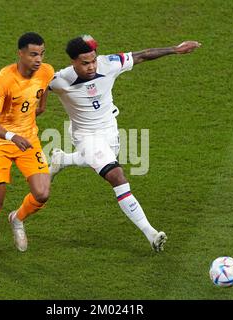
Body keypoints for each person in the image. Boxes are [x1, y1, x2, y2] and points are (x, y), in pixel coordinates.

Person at [48, 35, 200, 252]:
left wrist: (175, 49)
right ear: (73, 62)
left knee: (102, 162)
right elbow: (33, 90)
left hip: (109, 129)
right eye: (85, 63)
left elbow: (142, 55)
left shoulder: (109, 63)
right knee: (116, 175)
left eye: (93, 60)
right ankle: (151, 233)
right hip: (85, 136)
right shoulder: (60, 80)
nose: (91, 66)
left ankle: (62, 159)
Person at [0, 32, 54, 264]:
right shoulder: (5, 78)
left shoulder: (47, 71)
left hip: (28, 140)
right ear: (20, 54)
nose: (38, 59)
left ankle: (17, 218)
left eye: (41, 54)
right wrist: (11, 135)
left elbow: (43, 93)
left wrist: (41, 107)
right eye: (33, 54)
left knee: (42, 193)